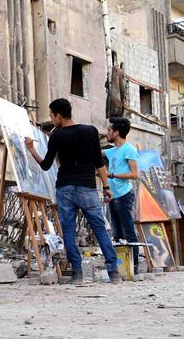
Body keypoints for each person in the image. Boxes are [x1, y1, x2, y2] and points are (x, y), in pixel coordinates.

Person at [24, 98, 120, 284]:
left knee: (68, 230)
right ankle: (113, 272)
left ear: (59, 116)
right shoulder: (90, 131)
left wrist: (31, 149)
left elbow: (45, 165)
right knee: (99, 228)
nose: (51, 119)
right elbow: (99, 162)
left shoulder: (57, 136)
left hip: (65, 188)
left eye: (52, 115)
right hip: (87, 187)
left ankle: (77, 274)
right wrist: (106, 186)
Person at [104, 116, 140, 273]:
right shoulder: (112, 150)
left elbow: (134, 174)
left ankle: (134, 266)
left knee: (128, 231)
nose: (107, 133)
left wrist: (112, 175)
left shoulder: (129, 149)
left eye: (109, 130)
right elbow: (95, 153)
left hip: (124, 195)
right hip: (113, 196)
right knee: (117, 233)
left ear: (116, 132)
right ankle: (121, 266)